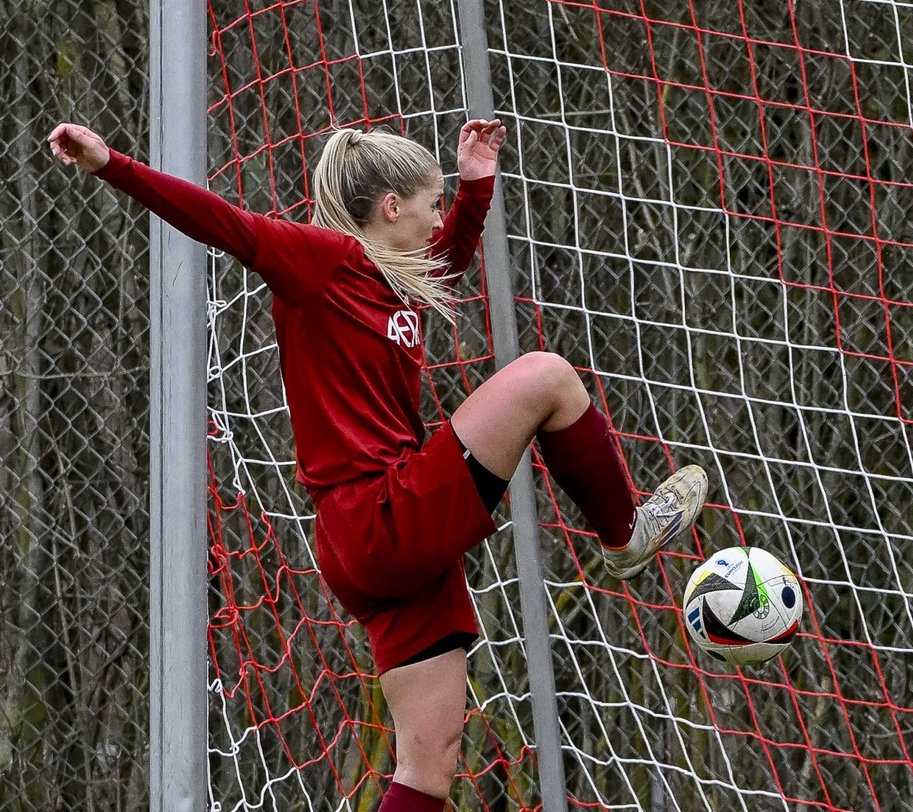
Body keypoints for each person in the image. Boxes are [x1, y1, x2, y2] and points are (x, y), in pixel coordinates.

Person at [48, 120, 708, 812]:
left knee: (430, 765)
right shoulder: (321, 260)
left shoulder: (394, 282)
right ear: (391, 206)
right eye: (431, 203)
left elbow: (443, 263)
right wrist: (110, 164)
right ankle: (624, 535)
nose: (436, 220)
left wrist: (475, 184)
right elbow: (223, 223)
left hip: (380, 544)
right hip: (380, 514)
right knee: (545, 376)